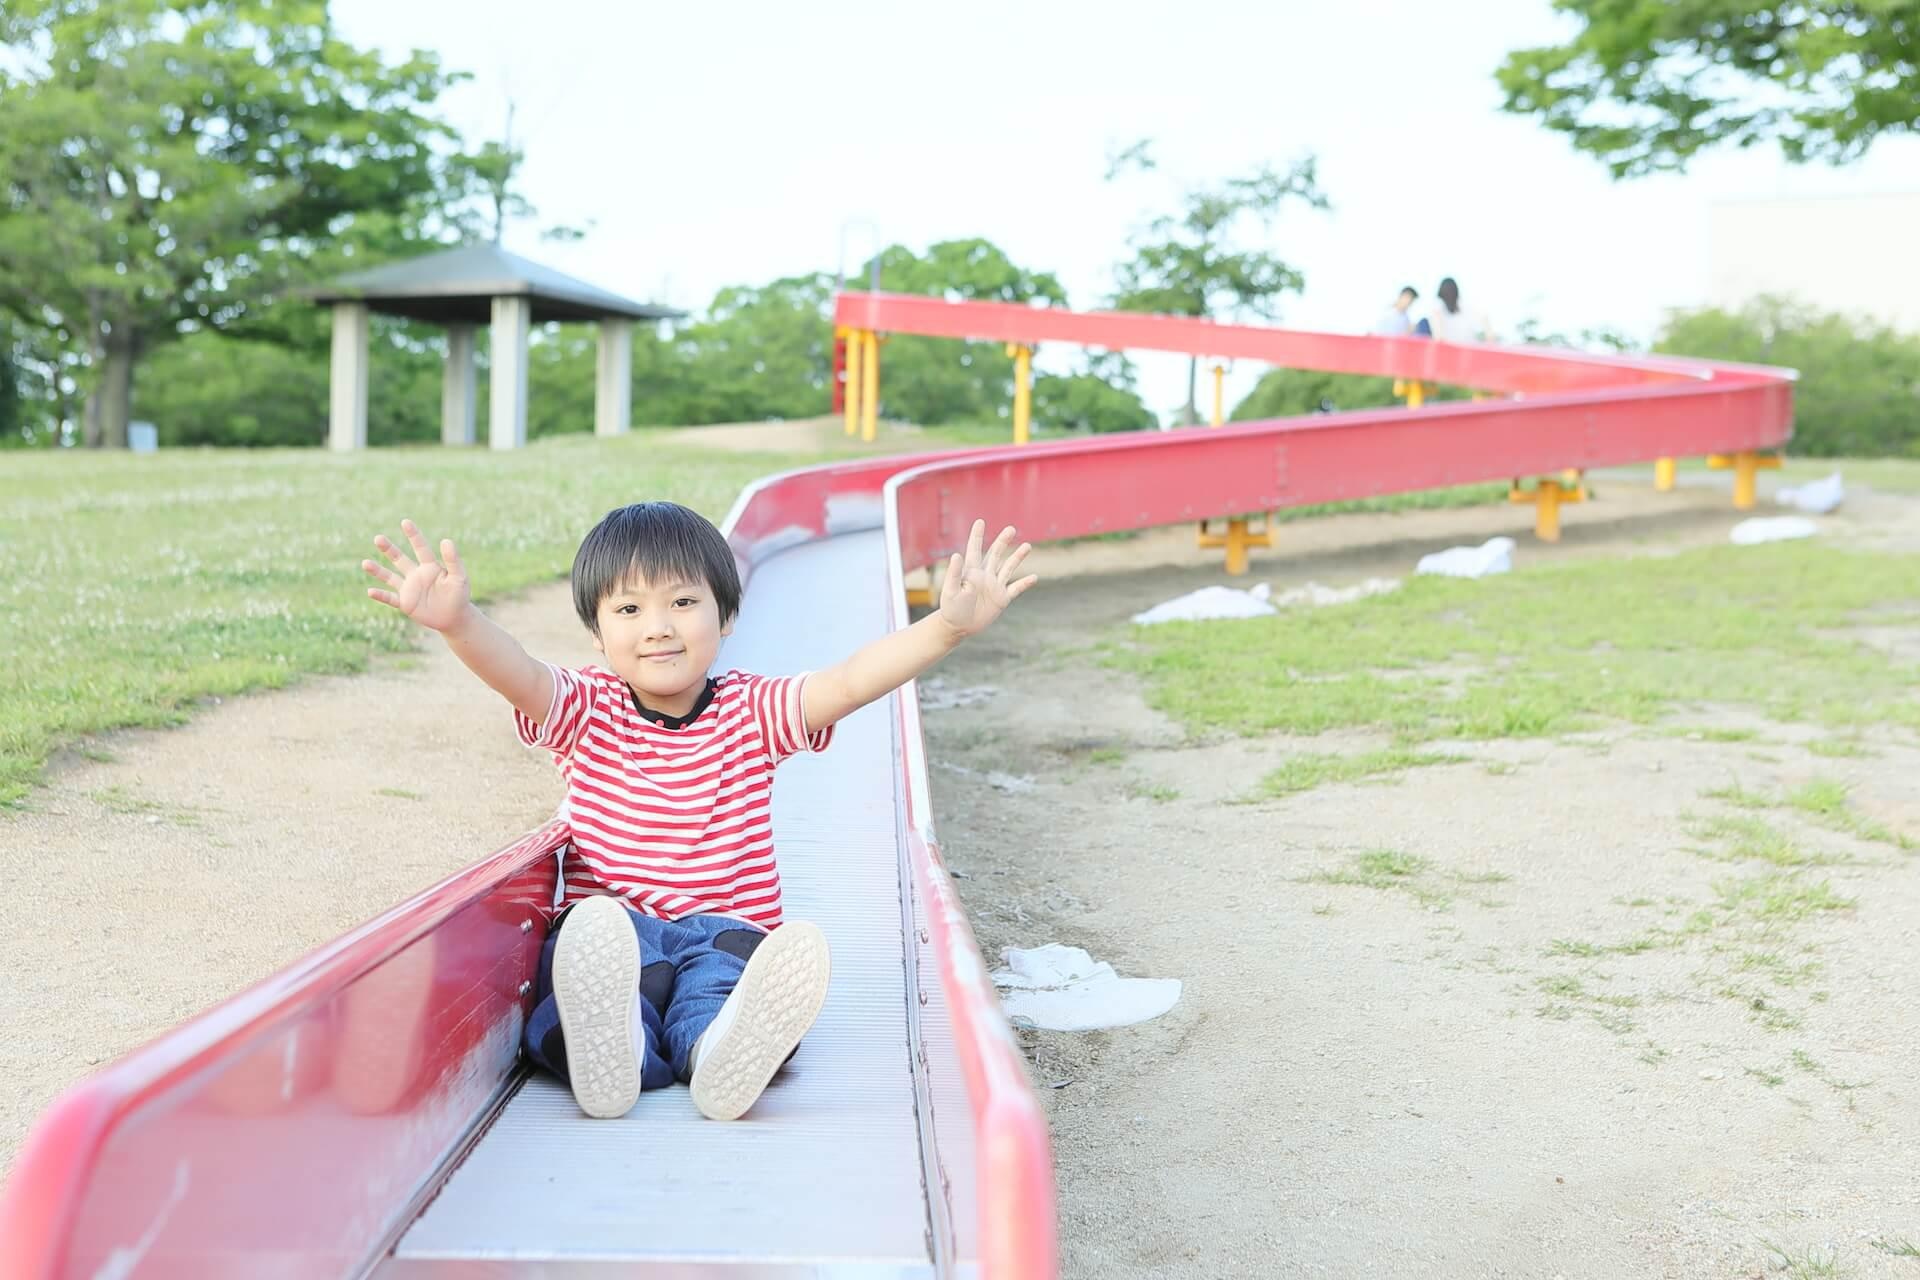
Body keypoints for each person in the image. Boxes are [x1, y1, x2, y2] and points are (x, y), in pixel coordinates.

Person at [359, 503, 1038, 1121]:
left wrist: (946, 626)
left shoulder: (754, 711)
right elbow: (521, 673)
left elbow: (851, 680)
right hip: (617, 933)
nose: (658, 628)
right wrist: (459, 624)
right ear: (596, 633)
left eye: (683, 602)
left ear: (727, 616)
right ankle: (617, 1042)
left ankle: (717, 1052)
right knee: (581, 979)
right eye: (628, 611)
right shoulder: (585, 710)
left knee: (720, 991)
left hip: (725, 931)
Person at [1419, 276, 1484, 342]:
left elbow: (1439, 336)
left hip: (1451, 347)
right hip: (1465, 346)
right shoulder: (1463, 307)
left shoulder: (1437, 306)